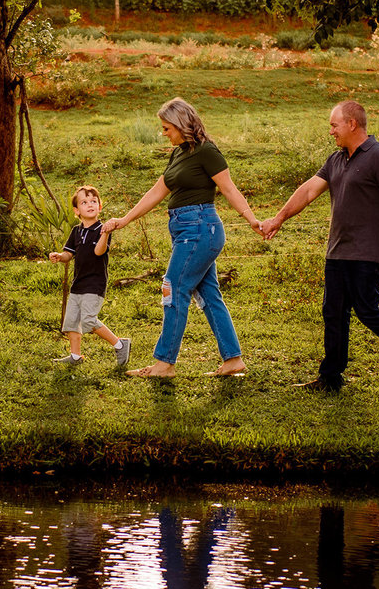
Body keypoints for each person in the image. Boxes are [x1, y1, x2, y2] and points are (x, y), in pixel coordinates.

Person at [260, 100, 379, 394]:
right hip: (337, 251)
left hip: (367, 253)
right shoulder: (336, 159)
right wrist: (279, 218)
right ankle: (331, 378)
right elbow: (308, 190)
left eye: (334, 125)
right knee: (333, 312)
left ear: (352, 124)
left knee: (368, 311)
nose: (331, 132)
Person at [102, 97, 261, 378]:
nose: (163, 133)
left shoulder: (207, 151)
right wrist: (125, 220)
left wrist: (252, 220)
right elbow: (156, 191)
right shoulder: (178, 153)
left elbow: (229, 189)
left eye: (166, 128)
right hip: (185, 230)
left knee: (173, 289)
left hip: (200, 229)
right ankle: (233, 359)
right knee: (209, 294)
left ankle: (164, 364)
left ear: (180, 124)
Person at [49, 185, 131, 369]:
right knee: (71, 322)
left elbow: (98, 251)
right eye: (84, 202)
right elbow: (69, 254)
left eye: (94, 201)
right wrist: (59, 256)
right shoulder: (76, 232)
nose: (90, 204)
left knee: (87, 320)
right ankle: (75, 356)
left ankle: (119, 344)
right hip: (78, 283)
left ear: (100, 206)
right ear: (77, 211)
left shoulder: (103, 229)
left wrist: (106, 234)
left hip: (95, 284)